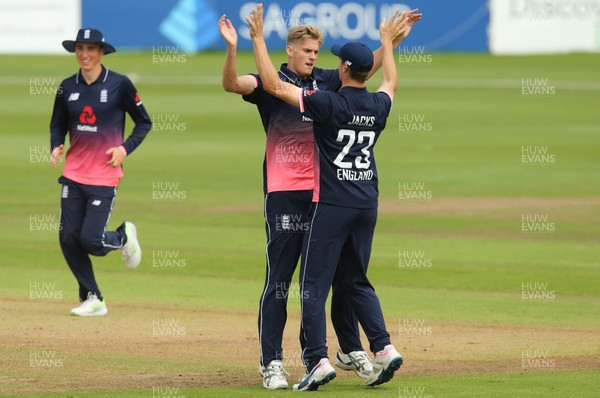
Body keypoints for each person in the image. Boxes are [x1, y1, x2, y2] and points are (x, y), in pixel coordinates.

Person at [218, 8, 416, 390]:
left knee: (339, 274)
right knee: (281, 279)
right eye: (306, 50)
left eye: (316, 51)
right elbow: (231, 84)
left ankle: (342, 350)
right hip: (284, 194)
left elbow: (364, 68)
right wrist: (235, 48)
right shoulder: (268, 80)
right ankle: (272, 361)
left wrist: (392, 42)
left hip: (323, 195)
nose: (312, 56)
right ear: (290, 50)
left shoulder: (327, 81)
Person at [49, 28, 152, 317]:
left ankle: (123, 235)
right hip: (73, 174)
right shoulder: (67, 87)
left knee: (91, 241)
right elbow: (57, 123)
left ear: (101, 52)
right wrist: (56, 145)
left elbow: (144, 122)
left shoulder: (120, 85)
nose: (84, 54)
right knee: (68, 238)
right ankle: (93, 297)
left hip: (104, 176)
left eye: (90, 49)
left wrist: (124, 149)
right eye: (80, 49)